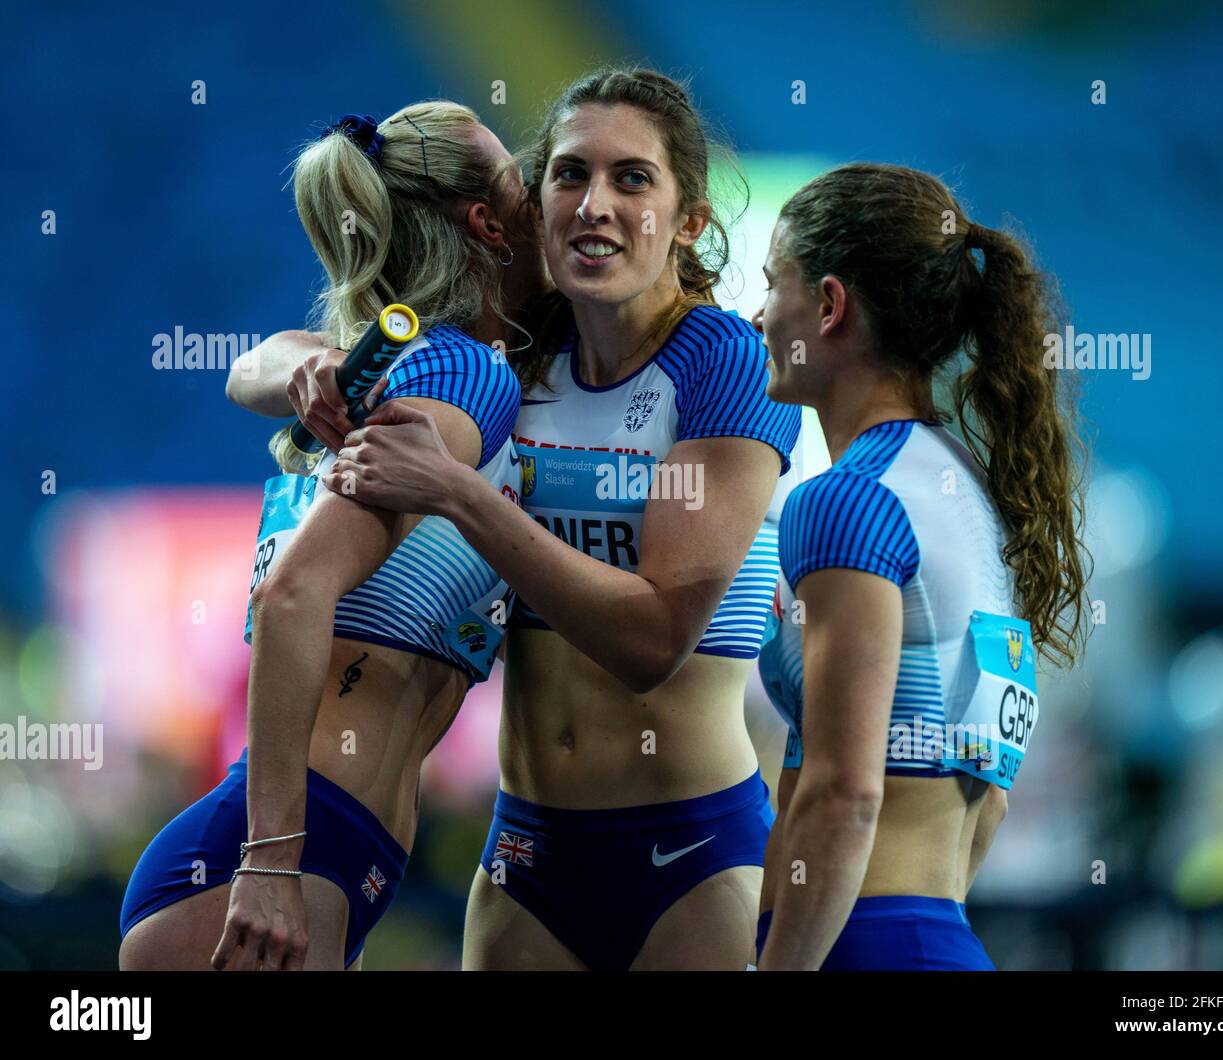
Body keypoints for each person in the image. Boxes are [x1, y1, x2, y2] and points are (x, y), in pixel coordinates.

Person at [284, 68, 802, 969]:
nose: (596, 203)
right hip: (526, 853)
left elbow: (652, 639)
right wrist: (310, 369)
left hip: (691, 854)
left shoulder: (724, 362)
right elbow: (276, 358)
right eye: (570, 175)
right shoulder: (512, 356)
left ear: (689, 219)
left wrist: (460, 493)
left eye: (632, 178)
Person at [119, 101, 538, 971]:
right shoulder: (459, 371)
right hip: (280, 849)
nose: (549, 192)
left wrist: (288, 366)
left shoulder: (417, 364)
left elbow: (260, 362)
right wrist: (270, 861)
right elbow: (294, 591)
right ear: (489, 223)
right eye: (523, 177)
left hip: (321, 844)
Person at [751, 162, 1089, 970]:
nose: (760, 313)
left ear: (829, 305)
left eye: (774, 286)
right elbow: (990, 795)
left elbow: (845, 793)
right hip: (935, 935)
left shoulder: (844, 501)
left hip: (853, 945)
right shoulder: (973, 489)